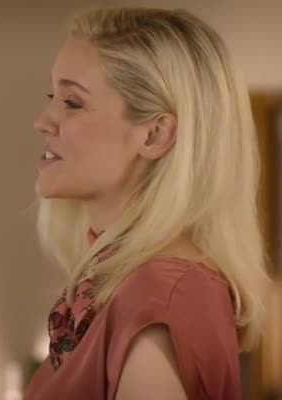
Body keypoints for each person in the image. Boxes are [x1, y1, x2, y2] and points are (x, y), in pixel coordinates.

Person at [25, 8, 269, 399]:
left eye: (72, 102)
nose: (42, 120)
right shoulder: (128, 284)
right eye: (52, 96)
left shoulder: (158, 299)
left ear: (155, 134)